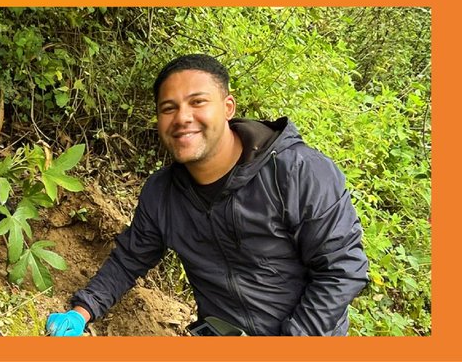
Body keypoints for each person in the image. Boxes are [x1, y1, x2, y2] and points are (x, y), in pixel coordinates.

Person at [46, 54, 369, 337]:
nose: (183, 118)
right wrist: (82, 310)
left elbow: (342, 269)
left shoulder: (298, 172)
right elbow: (131, 259)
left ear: (228, 107)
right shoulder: (163, 193)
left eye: (197, 102)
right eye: (168, 108)